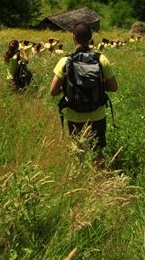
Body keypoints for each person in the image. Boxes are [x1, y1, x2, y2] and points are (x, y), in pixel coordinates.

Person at [49, 22, 118, 163]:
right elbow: (113, 86)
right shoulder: (101, 59)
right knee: (97, 154)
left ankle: (80, 181)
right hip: (97, 114)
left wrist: (70, 87)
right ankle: (102, 181)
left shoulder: (65, 61)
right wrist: (96, 85)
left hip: (75, 115)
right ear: (91, 37)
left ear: (73, 37)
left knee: (78, 154)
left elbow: (53, 91)